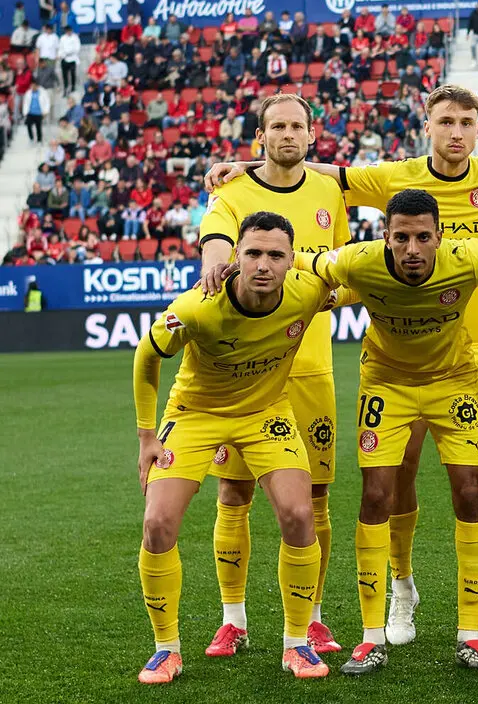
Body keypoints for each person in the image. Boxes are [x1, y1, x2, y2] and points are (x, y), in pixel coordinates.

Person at [205, 83, 478, 640]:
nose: (456, 133)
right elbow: (320, 171)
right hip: (403, 358)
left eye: (467, 123)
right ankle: (402, 589)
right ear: (428, 125)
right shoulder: (394, 177)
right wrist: (250, 164)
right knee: (398, 474)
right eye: (445, 122)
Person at [300, 189, 478, 674]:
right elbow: (305, 260)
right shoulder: (358, 262)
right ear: (385, 236)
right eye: (401, 237)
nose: (411, 249)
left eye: (422, 237)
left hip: (453, 385)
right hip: (386, 386)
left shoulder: (467, 258)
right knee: (376, 495)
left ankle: (471, 634)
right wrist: (243, 256)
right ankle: (371, 637)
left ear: (440, 236)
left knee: (470, 493)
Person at [132, 212, 344, 683]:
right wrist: (148, 435)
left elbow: (360, 275)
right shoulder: (198, 307)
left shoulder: (308, 292)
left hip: (267, 412)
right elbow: (146, 355)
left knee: (299, 514)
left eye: (275, 254)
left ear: (293, 261)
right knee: (157, 523)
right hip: (194, 413)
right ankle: (167, 649)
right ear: (235, 257)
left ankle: (296, 645)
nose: (263, 264)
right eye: (252, 253)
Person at [196, 94, 350, 658]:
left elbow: (335, 267)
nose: (288, 134)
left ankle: (310, 616)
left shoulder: (331, 191)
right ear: (260, 136)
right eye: (277, 126)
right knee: (234, 492)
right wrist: (215, 259)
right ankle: (232, 618)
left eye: (298, 126)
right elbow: (215, 239)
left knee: (316, 495)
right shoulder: (232, 190)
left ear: (312, 134)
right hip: (244, 371)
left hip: (310, 363)